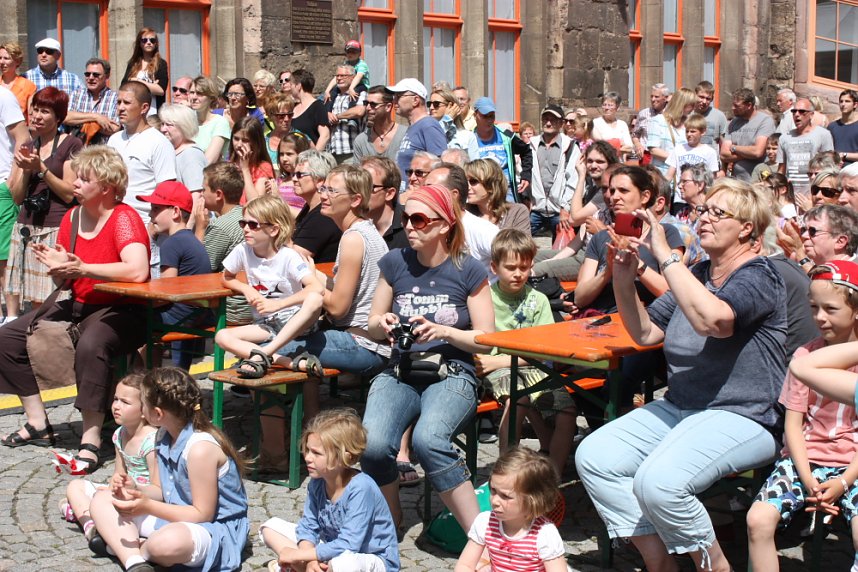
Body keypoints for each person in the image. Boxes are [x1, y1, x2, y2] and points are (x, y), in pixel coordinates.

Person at [576, 178, 788, 572]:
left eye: (717, 213)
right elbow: (644, 332)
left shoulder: (761, 275)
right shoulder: (700, 271)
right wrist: (623, 276)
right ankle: (659, 562)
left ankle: (713, 566)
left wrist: (668, 259)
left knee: (659, 482)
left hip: (745, 415)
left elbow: (716, 321)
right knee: (594, 456)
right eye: (703, 210)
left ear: (746, 229)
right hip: (681, 408)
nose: (704, 219)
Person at [0, 146, 150, 478]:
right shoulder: (73, 216)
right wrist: (58, 266)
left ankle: (91, 438)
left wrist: (84, 268)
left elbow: (137, 270)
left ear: (107, 187)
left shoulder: (124, 218)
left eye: (85, 178)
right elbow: (69, 273)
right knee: (8, 338)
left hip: (123, 308)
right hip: (80, 302)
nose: (76, 184)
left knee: (92, 344)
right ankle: (38, 422)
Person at [361, 183, 494, 531]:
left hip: (452, 372)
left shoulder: (469, 270)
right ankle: (391, 521)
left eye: (419, 219)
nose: (409, 226)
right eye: (406, 218)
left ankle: (479, 535)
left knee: (429, 440)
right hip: (401, 370)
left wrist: (444, 331)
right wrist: (384, 322)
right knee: (372, 445)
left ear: (443, 225)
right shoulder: (394, 262)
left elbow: (487, 340)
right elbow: (372, 325)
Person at [747, 260, 858, 572]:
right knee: (758, 519)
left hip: (854, 465)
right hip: (804, 461)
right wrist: (808, 477)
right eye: (814, 307)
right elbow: (793, 425)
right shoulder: (804, 355)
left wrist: (844, 482)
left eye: (830, 309)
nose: (819, 318)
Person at [87, 367, 250, 572]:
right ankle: (134, 562)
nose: (142, 411)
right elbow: (162, 491)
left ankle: (131, 547)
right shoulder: (163, 435)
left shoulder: (200, 449)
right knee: (103, 498)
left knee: (167, 543)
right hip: (175, 515)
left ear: (157, 414)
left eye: (143, 405)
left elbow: (202, 515)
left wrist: (147, 507)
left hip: (213, 529)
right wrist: (135, 488)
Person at [259, 409, 400, 572]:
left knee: (345, 564)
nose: (308, 457)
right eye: (307, 450)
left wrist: (298, 556)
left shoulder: (361, 488)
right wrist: (310, 558)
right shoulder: (317, 481)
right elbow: (308, 526)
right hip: (330, 549)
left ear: (343, 457)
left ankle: (297, 567)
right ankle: (308, 568)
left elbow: (349, 544)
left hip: (368, 558)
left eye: (316, 453)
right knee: (269, 527)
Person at [215, 194, 324, 380]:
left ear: (274, 229)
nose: (246, 229)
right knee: (221, 336)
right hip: (265, 324)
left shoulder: (288, 256)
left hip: (294, 321)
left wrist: (277, 305)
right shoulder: (243, 250)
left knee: (315, 299)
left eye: (253, 225)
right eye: (244, 223)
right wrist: (246, 289)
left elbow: (316, 288)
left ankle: (263, 355)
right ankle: (285, 361)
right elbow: (226, 277)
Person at [474, 231, 560, 456]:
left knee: (566, 410)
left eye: (524, 268)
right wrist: (497, 362)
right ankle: (506, 459)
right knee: (519, 397)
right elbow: (481, 351)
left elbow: (546, 350)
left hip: (531, 366)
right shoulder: (485, 299)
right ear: (494, 268)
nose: (518, 274)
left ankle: (552, 461)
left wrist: (501, 360)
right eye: (511, 268)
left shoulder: (538, 300)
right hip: (500, 370)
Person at [6, 87, 82, 321]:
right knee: (29, 301)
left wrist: (42, 169)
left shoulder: (71, 144)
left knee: (49, 300)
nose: (37, 116)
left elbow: (70, 194)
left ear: (58, 117)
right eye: (35, 110)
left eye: (45, 111)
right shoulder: (28, 145)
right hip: (26, 226)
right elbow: (17, 197)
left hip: (55, 227)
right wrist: (28, 171)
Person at [60, 372, 157, 544]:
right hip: (122, 494)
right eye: (115, 399)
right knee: (75, 487)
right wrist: (112, 487)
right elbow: (118, 473)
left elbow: (158, 490)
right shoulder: (120, 433)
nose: (116, 406)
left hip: (141, 499)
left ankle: (88, 516)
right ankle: (90, 525)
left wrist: (132, 488)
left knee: (78, 503)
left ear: (144, 411)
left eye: (125, 402)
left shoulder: (151, 441)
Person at [574, 165, 684, 314]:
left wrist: (635, 262)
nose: (614, 197)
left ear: (645, 196)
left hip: (643, 324)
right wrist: (608, 270)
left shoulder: (664, 234)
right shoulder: (601, 237)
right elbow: (580, 298)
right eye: (612, 191)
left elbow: (672, 293)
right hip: (600, 321)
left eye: (623, 191)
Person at [455, 447, 566, 572]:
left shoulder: (544, 534)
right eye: (493, 490)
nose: (495, 501)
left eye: (505, 496)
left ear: (533, 501)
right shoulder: (485, 523)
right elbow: (465, 565)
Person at [141, 181, 212, 369]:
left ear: (175, 212)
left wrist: (139, 300)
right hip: (199, 313)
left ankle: (143, 378)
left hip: (180, 316)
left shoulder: (172, 244)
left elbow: (165, 293)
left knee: (130, 320)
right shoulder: (189, 239)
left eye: (156, 209)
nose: (150, 215)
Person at [531, 142, 620, 281]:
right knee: (528, 256)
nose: (593, 165)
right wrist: (553, 260)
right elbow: (579, 238)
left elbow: (574, 219)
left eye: (600, 161)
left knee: (537, 269)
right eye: (589, 161)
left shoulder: (606, 194)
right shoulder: (594, 188)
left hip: (589, 259)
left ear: (610, 164)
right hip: (579, 252)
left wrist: (581, 177)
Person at [107, 81, 177, 224]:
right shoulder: (114, 140)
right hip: (113, 219)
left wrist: (154, 226)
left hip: (143, 222)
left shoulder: (158, 142)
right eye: (118, 102)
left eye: (126, 103)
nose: (120, 108)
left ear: (144, 108)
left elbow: (166, 189)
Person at [193, 162, 252, 326]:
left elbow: (199, 270)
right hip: (251, 305)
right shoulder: (247, 216)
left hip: (231, 310)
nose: (200, 195)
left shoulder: (221, 227)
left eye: (204, 190)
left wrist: (199, 229)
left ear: (218, 194)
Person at [0, 85, 32, 324]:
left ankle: (11, 319)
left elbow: (23, 137)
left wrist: (13, 179)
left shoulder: (3, 96)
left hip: (1, 186)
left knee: (4, 259)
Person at [528, 104, 581, 238]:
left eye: (553, 120)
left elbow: (573, 180)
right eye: (546, 119)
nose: (548, 123)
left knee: (560, 253)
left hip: (559, 211)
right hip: (534, 209)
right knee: (519, 245)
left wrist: (565, 208)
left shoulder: (570, 146)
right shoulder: (531, 145)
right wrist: (525, 200)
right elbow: (523, 174)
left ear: (561, 123)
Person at [472, 96, 533, 203]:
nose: (489, 120)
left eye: (492, 116)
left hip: (506, 192)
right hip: (481, 193)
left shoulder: (506, 135)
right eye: (485, 116)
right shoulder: (469, 138)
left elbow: (526, 151)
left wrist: (526, 176)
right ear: (475, 115)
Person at [387, 78, 447, 183]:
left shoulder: (428, 126)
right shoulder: (413, 126)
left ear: (415, 100)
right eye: (394, 96)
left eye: (398, 96)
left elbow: (439, 167)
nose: (394, 101)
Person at [290, 150, 343, 263]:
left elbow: (293, 258)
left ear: (320, 181)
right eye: (293, 174)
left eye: (299, 175)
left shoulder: (323, 216)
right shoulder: (310, 208)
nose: (294, 179)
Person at [778, 97, 835, 195]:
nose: (797, 114)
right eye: (794, 111)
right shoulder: (784, 138)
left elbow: (829, 167)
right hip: (790, 193)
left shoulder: (823, 134)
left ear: (811, 115)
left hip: (814, 192)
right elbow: (781, 168)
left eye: (802, 111)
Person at [721, 87, 777, 181]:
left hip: (758, 180)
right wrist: (748, 153)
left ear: (749, 105)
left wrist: (734, 148)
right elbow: (723, 154)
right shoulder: (733, 123)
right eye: (733, 104)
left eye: (737, 106)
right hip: (737, 180)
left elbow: (757, 152)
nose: (732, 108)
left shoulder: (765, 121)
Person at [465, 158, 530, 235]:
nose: (467, 187)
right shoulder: (465, 216)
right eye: (465, 181)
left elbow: (522, 246)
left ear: (491, 184)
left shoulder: (517, 212)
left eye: (473, 181)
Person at [65, 58, 121, 143]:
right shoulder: (76, 94)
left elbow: (114, 128)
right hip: (77, 151)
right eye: (87, 74)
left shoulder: (115, 97)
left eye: (96, 75)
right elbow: (66, 118)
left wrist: (80, 122)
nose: (91, 78)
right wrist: (97, 117)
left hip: (103, 150)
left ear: (107, 76)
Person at [646, 87, 696, 178]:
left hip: (682, 176)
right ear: (682, 104)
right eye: (691, 105)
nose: (693, 108)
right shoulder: (658, 121)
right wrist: (678, 159)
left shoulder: (689, 124)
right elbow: (654, 150)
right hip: (662, 174)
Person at [362, 155, 408, 249]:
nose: (360, 192)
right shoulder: (354, 229)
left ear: (389, 194)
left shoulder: (411, 226)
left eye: (368, 187)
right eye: (358, 185)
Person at [120, 28, 168, 118]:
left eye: (152, 40)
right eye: (144, 40)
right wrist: (151, 86)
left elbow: (160, 90)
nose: (148, 42)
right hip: (134, 112)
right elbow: (124, 87)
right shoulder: (133, 63)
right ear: (140, 43)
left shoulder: (161, 63)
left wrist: (137, 81)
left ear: (156, 43)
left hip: (153, 113)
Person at [352, 85, 406, 164]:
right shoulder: (361, 141)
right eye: (366, 103)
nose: (367, 108)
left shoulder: (405, 135)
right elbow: (358, 175)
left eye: (373, 104)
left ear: (388, 107)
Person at [158, 103, 206, 193]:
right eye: (162, 124)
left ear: (184, 126)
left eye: (169, 124)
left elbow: (197, 196)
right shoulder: (169, 151)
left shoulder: (191, 155)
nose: (163, 129)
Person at [325, 64, 367, 164]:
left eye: (343, 76)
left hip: (351, 151)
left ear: (353, 77)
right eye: (337, 76)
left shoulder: (361, 93)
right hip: (332, 151)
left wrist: (337, 116)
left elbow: (359, 111)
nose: (339, 78)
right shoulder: (332, 96)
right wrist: (327, 114)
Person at [664, 113, 722, 186]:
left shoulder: (710, 152)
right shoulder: (678, 149)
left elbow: (712, 178)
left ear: (703, 132)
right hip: (680, 195)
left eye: (693, 131)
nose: (689, 134)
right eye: (687, 131)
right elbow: (669, 175)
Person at [229, 115, 275, 203]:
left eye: (245, 140)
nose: (239, 145)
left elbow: (254, 203)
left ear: (255, 143)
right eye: (236, 139)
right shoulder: (229, 164)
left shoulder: (263, 167)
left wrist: (245, 169)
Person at [189, 76, 232, 164]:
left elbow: (209, 161)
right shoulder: (188, 121)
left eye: (199, 93)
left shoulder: (220, 123)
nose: (194, 97)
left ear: (211, 98)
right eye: (192, 92)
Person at [429, 87, 479, 159]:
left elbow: (475, 167)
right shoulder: (426, 130)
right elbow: (434, 140)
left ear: (451, 106)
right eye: (429, 104)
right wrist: (447, 119)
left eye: (436, 104)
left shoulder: (467, 136)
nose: (431, 107)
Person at [289, 69, 330, 151]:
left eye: (291, 84)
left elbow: (325, 135)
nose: (290, 88)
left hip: (308, 159)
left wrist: (314, 158)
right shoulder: (293, 107)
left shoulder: (318, 106)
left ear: (298, 86)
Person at [273, 131, 310, 215]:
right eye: (281, 154)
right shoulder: (279, 182)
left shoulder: (307, 183)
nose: (284, 159)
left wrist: (278, 199)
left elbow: (303, 215)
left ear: (302, 154)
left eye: (289, 154)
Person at [631, 83, 671, 158]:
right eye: (651, 96)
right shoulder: (643, 114)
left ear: (665, 98)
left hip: (664, 157)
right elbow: (635, 135)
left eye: (656, 97)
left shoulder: (672, 115)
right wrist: (638, 145)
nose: (653, 99)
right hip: (646, 157)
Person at [591, 91, 633, 158]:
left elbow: (630, 147)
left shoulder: (622, 124)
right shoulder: (595, 123)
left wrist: (612, 144)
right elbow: (602, 146)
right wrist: (620, 143)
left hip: (619, 163)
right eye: (604, 105)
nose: (607, 108)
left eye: (610, 105)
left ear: (617, 107)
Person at [0, 42, 35, 119]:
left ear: (17, 61)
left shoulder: (28, 86)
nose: (1, 62)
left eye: (6, 58)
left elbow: (31, 117)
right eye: (0, 58)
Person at [694, 81, 728, 151]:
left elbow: (723, 144)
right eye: (701, 97)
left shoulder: (719, 116)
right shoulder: (687, 115)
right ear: (695, 95)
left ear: (712, 99)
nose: (704, 101)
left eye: (708, 99)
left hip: (711, 160)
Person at [264, 92, 295, 167]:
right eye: (281, 116)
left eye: (290, 115)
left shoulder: (301, 138)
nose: (286, 119)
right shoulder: (264, 141)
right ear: (271, 116)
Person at [829, 89, 858, 166]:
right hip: (835, 171)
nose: (843, 104)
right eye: (841, 101)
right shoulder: (832, 126)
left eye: (847, 101)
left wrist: (844, 155)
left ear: (855, 105)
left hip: (854, 173)